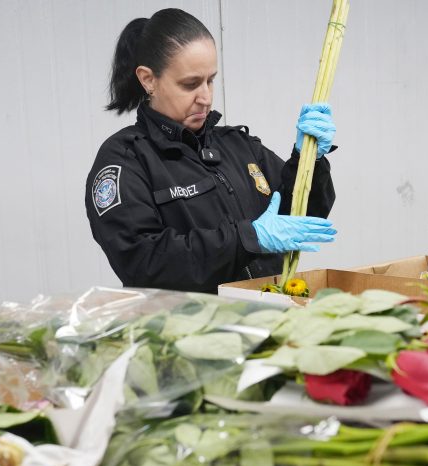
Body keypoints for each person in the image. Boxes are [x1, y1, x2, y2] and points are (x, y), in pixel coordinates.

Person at [86, 8, 337, 293]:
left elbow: (298, 216)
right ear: (148, 80)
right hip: (191, 331)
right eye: (190, 84)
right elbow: (144, 263)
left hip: (268, 317)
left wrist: (309, 161)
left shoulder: (238, 146)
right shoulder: (126, 160)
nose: (205, 97)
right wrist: (248, 238)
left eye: (210, 80)